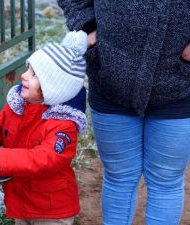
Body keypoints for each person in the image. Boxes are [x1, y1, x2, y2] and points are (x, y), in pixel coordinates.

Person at [56, 1, 190, 224]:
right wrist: (87, 25)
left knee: (165, 181)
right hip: (110, 79)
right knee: (119, 178)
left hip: (179, 85)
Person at [0, 31, 88, 225]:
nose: (23, 75)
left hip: (51, 211)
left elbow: (44, 158)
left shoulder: (63, 126)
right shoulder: (22, 105)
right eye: (28, 69)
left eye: (34, 74)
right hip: (22, 200)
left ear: (53, 86)